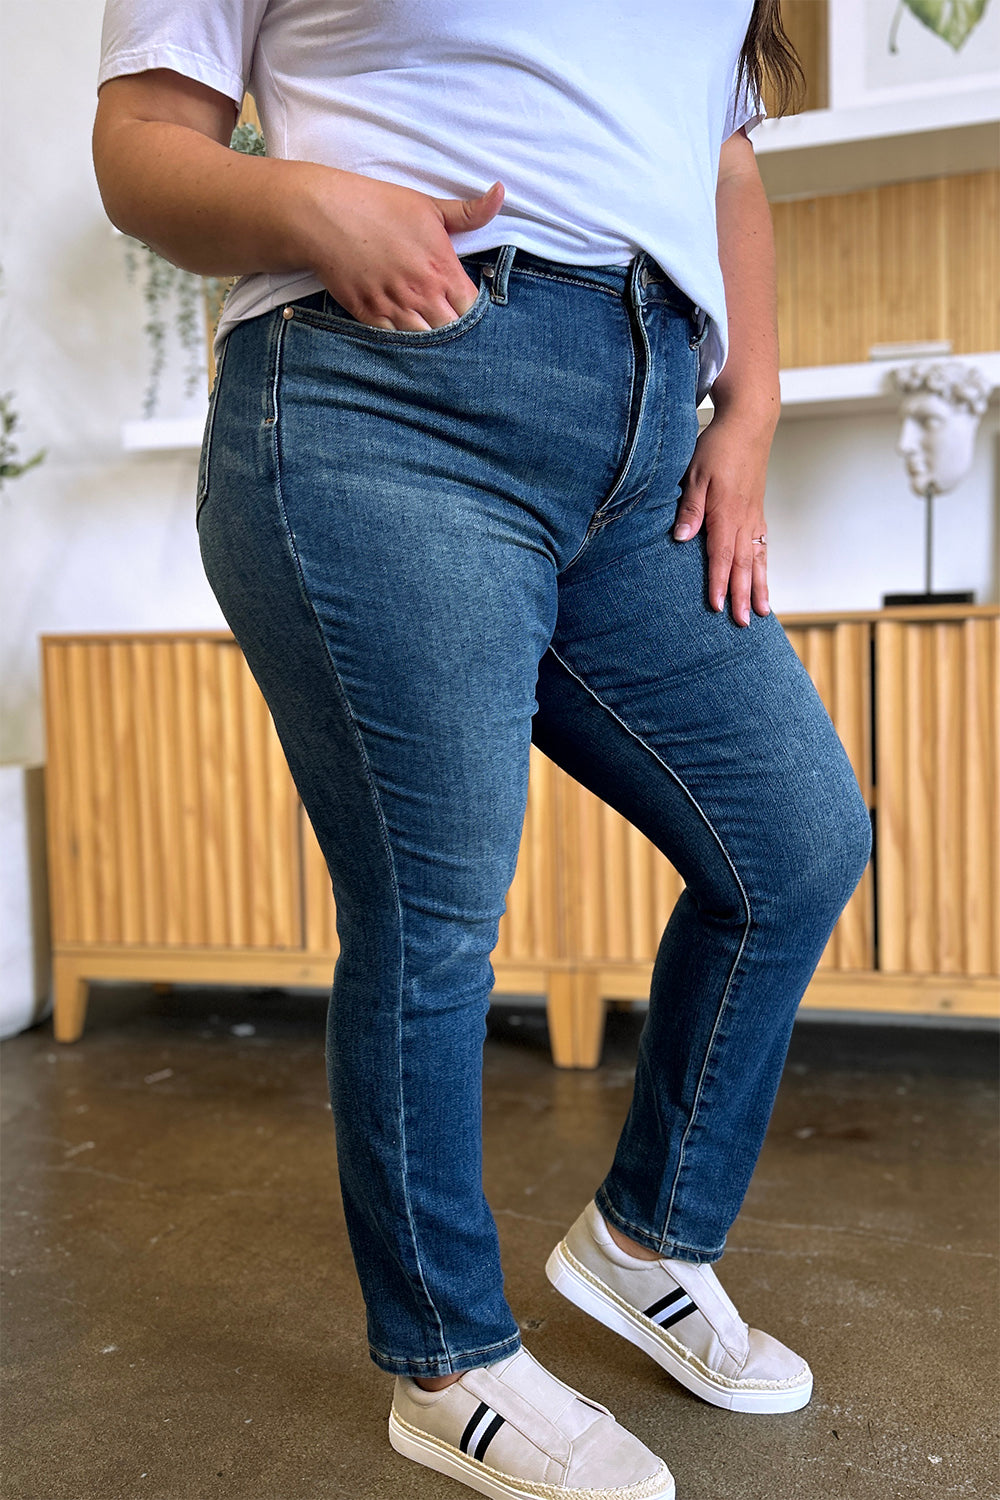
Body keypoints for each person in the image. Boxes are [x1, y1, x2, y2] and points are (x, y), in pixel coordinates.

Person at [92, 4, 873, 1496]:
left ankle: (647, 1239)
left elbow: (719, 162)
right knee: (434, 909)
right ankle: (445, 1359)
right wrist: (309, 201)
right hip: (385, 403)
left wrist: (751, 405)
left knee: (794, 842)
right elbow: (141, 150)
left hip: (645, 435)